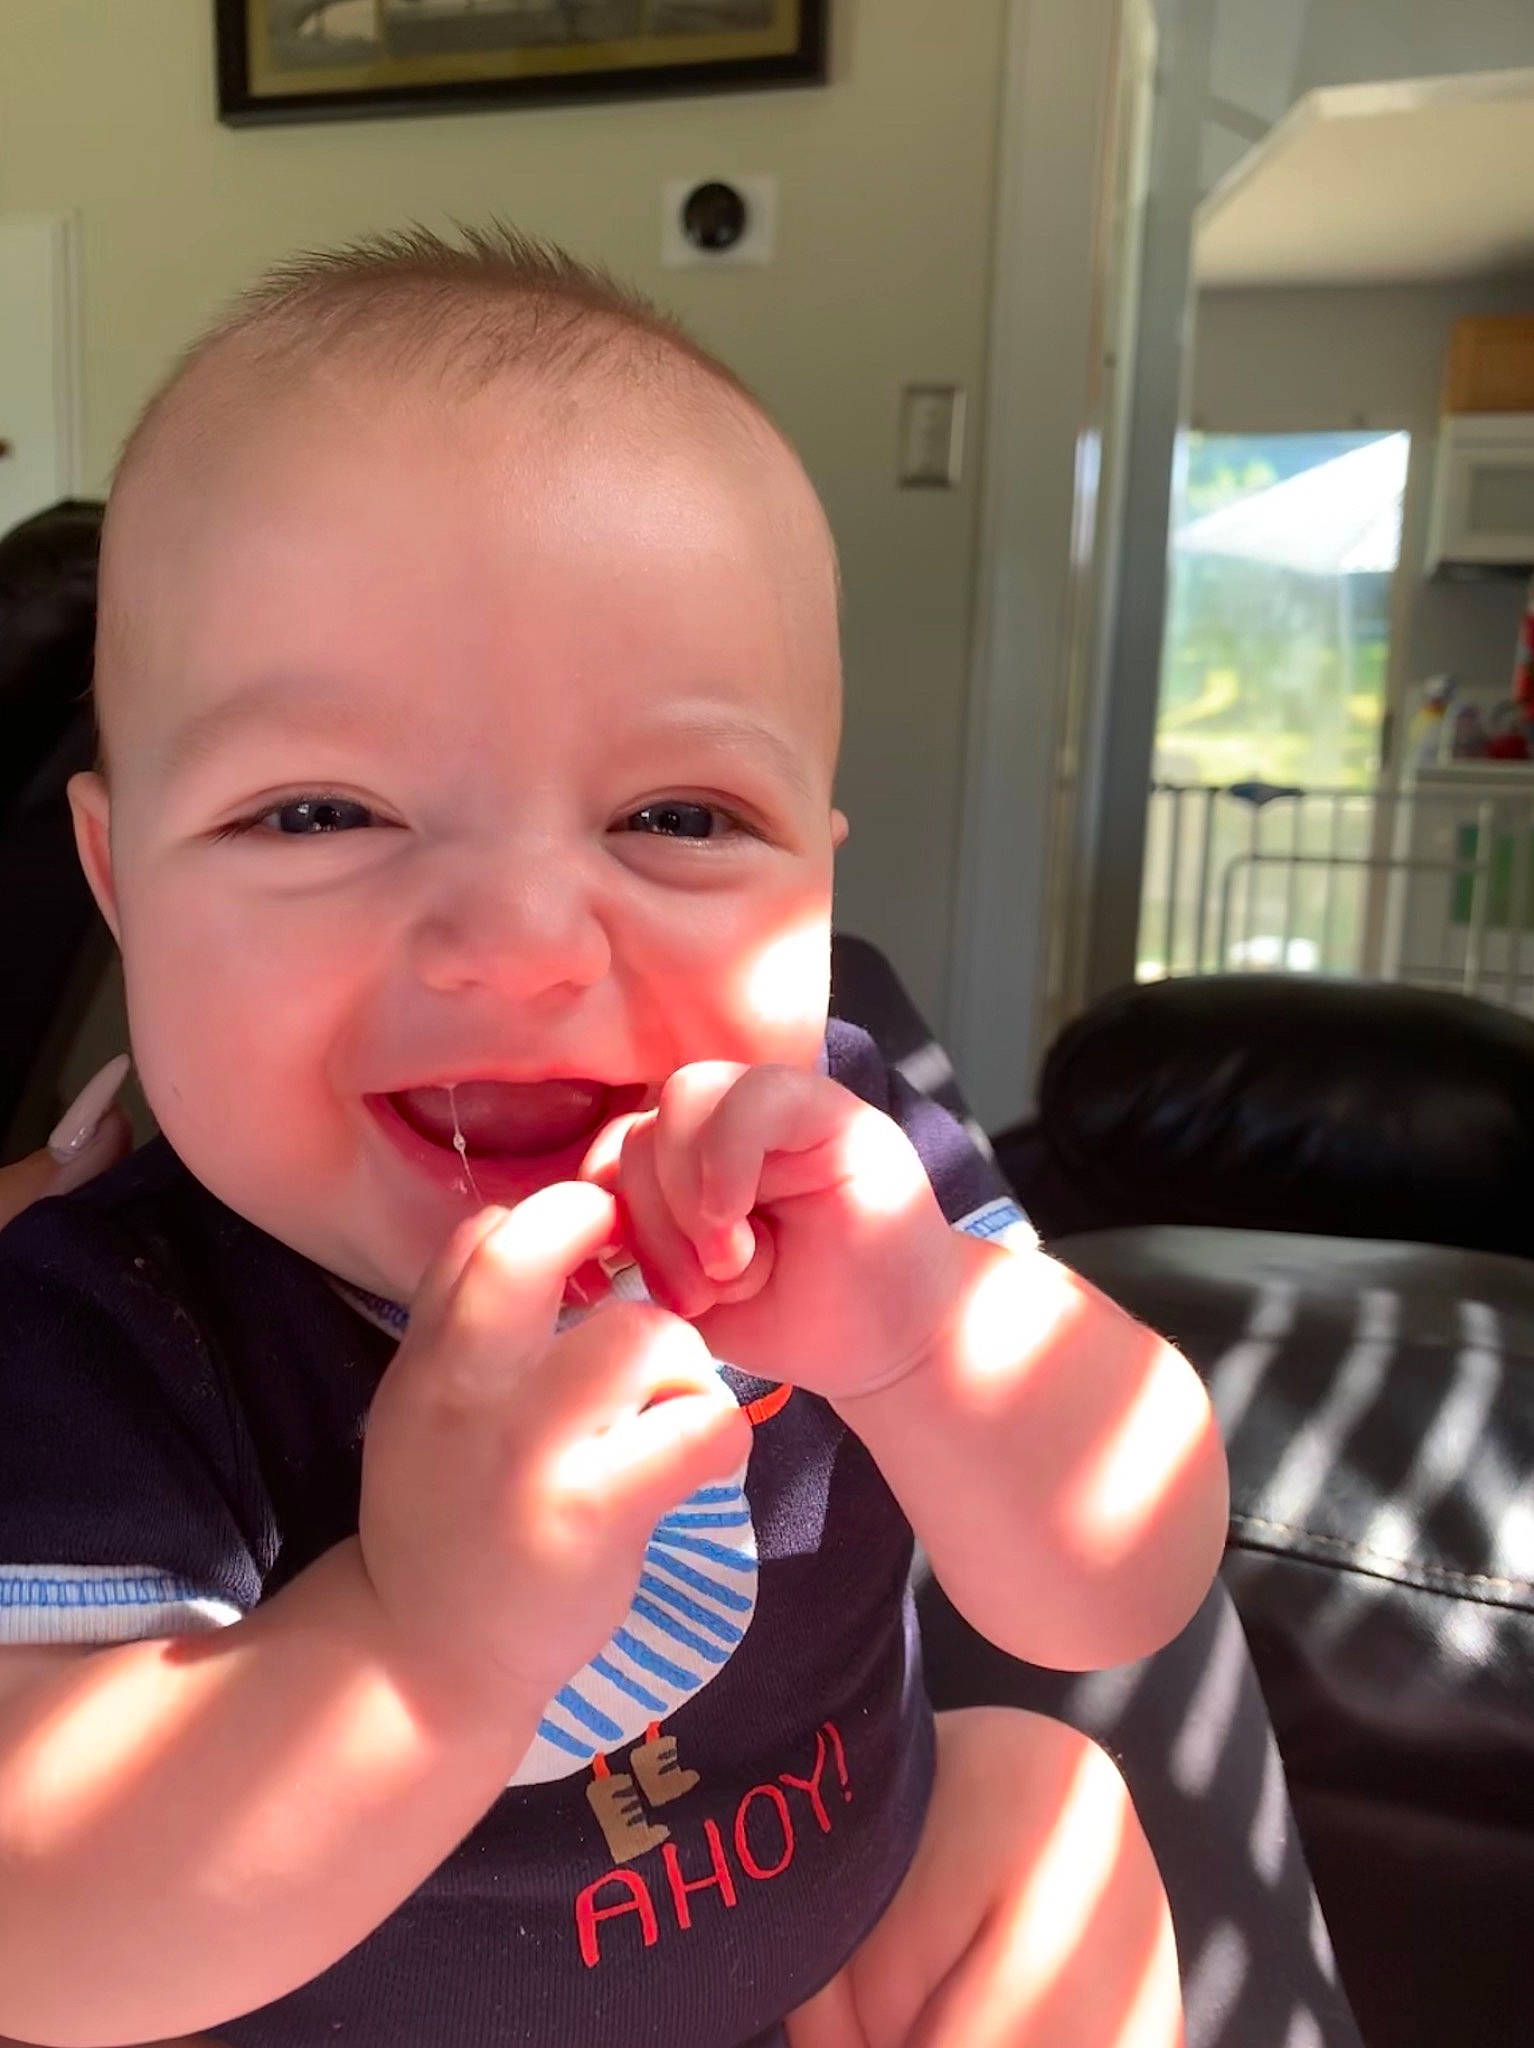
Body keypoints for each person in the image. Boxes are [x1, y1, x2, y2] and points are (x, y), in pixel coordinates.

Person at [0, 226, 1229, 2048]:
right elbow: (43, 1935)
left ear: (816, 876)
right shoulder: (107, 1333)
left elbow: (1117, 1577)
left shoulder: (842, 1161)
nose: (513, 951)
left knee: (1041, 1817)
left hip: (822, 1952)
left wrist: (927, 1341)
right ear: (118, 882)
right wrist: (422, 1646)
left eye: (673, 813)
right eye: (317, 810)